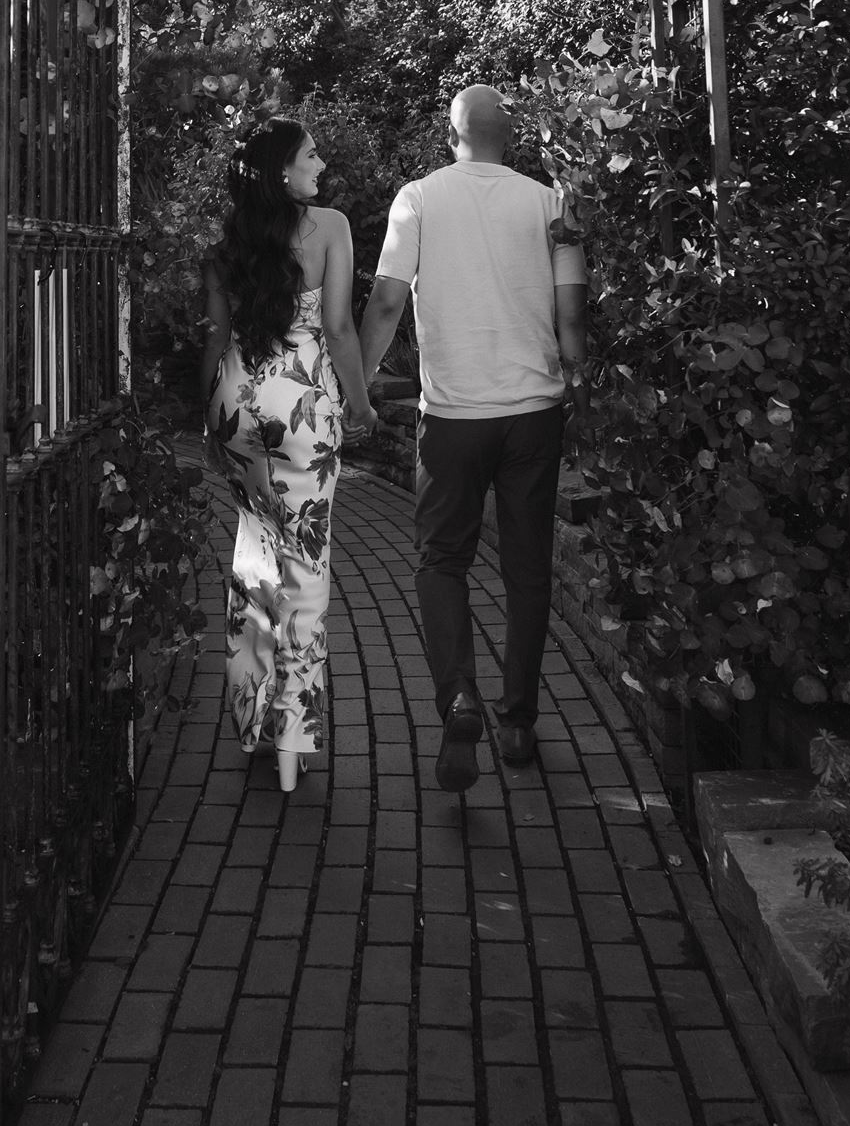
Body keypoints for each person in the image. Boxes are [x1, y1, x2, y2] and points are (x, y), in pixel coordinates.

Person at [358, 84, 588, 792]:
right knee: (526, 568)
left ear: (450, 132)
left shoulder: (418, 198)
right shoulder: (550, 203)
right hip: (532, 413)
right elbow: (570, 316)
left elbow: (389, 299)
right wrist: (574, 376)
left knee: (441, 561)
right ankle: (517, 719)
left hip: (453, 417)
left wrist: (357, 384)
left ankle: (457, 695)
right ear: (508, 137)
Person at [201, 118, 378, 793]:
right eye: (311, 153)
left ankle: (251, 719)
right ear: (282, 170)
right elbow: (335, 328)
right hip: (299, 409)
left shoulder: (229, 243)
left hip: (236, 406)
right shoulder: (329, 226)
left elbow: (216, 339)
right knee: (303, 566)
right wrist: (360, 405)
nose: (321, 160)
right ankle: (290, 741)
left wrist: (210, 419)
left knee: (254, 556)